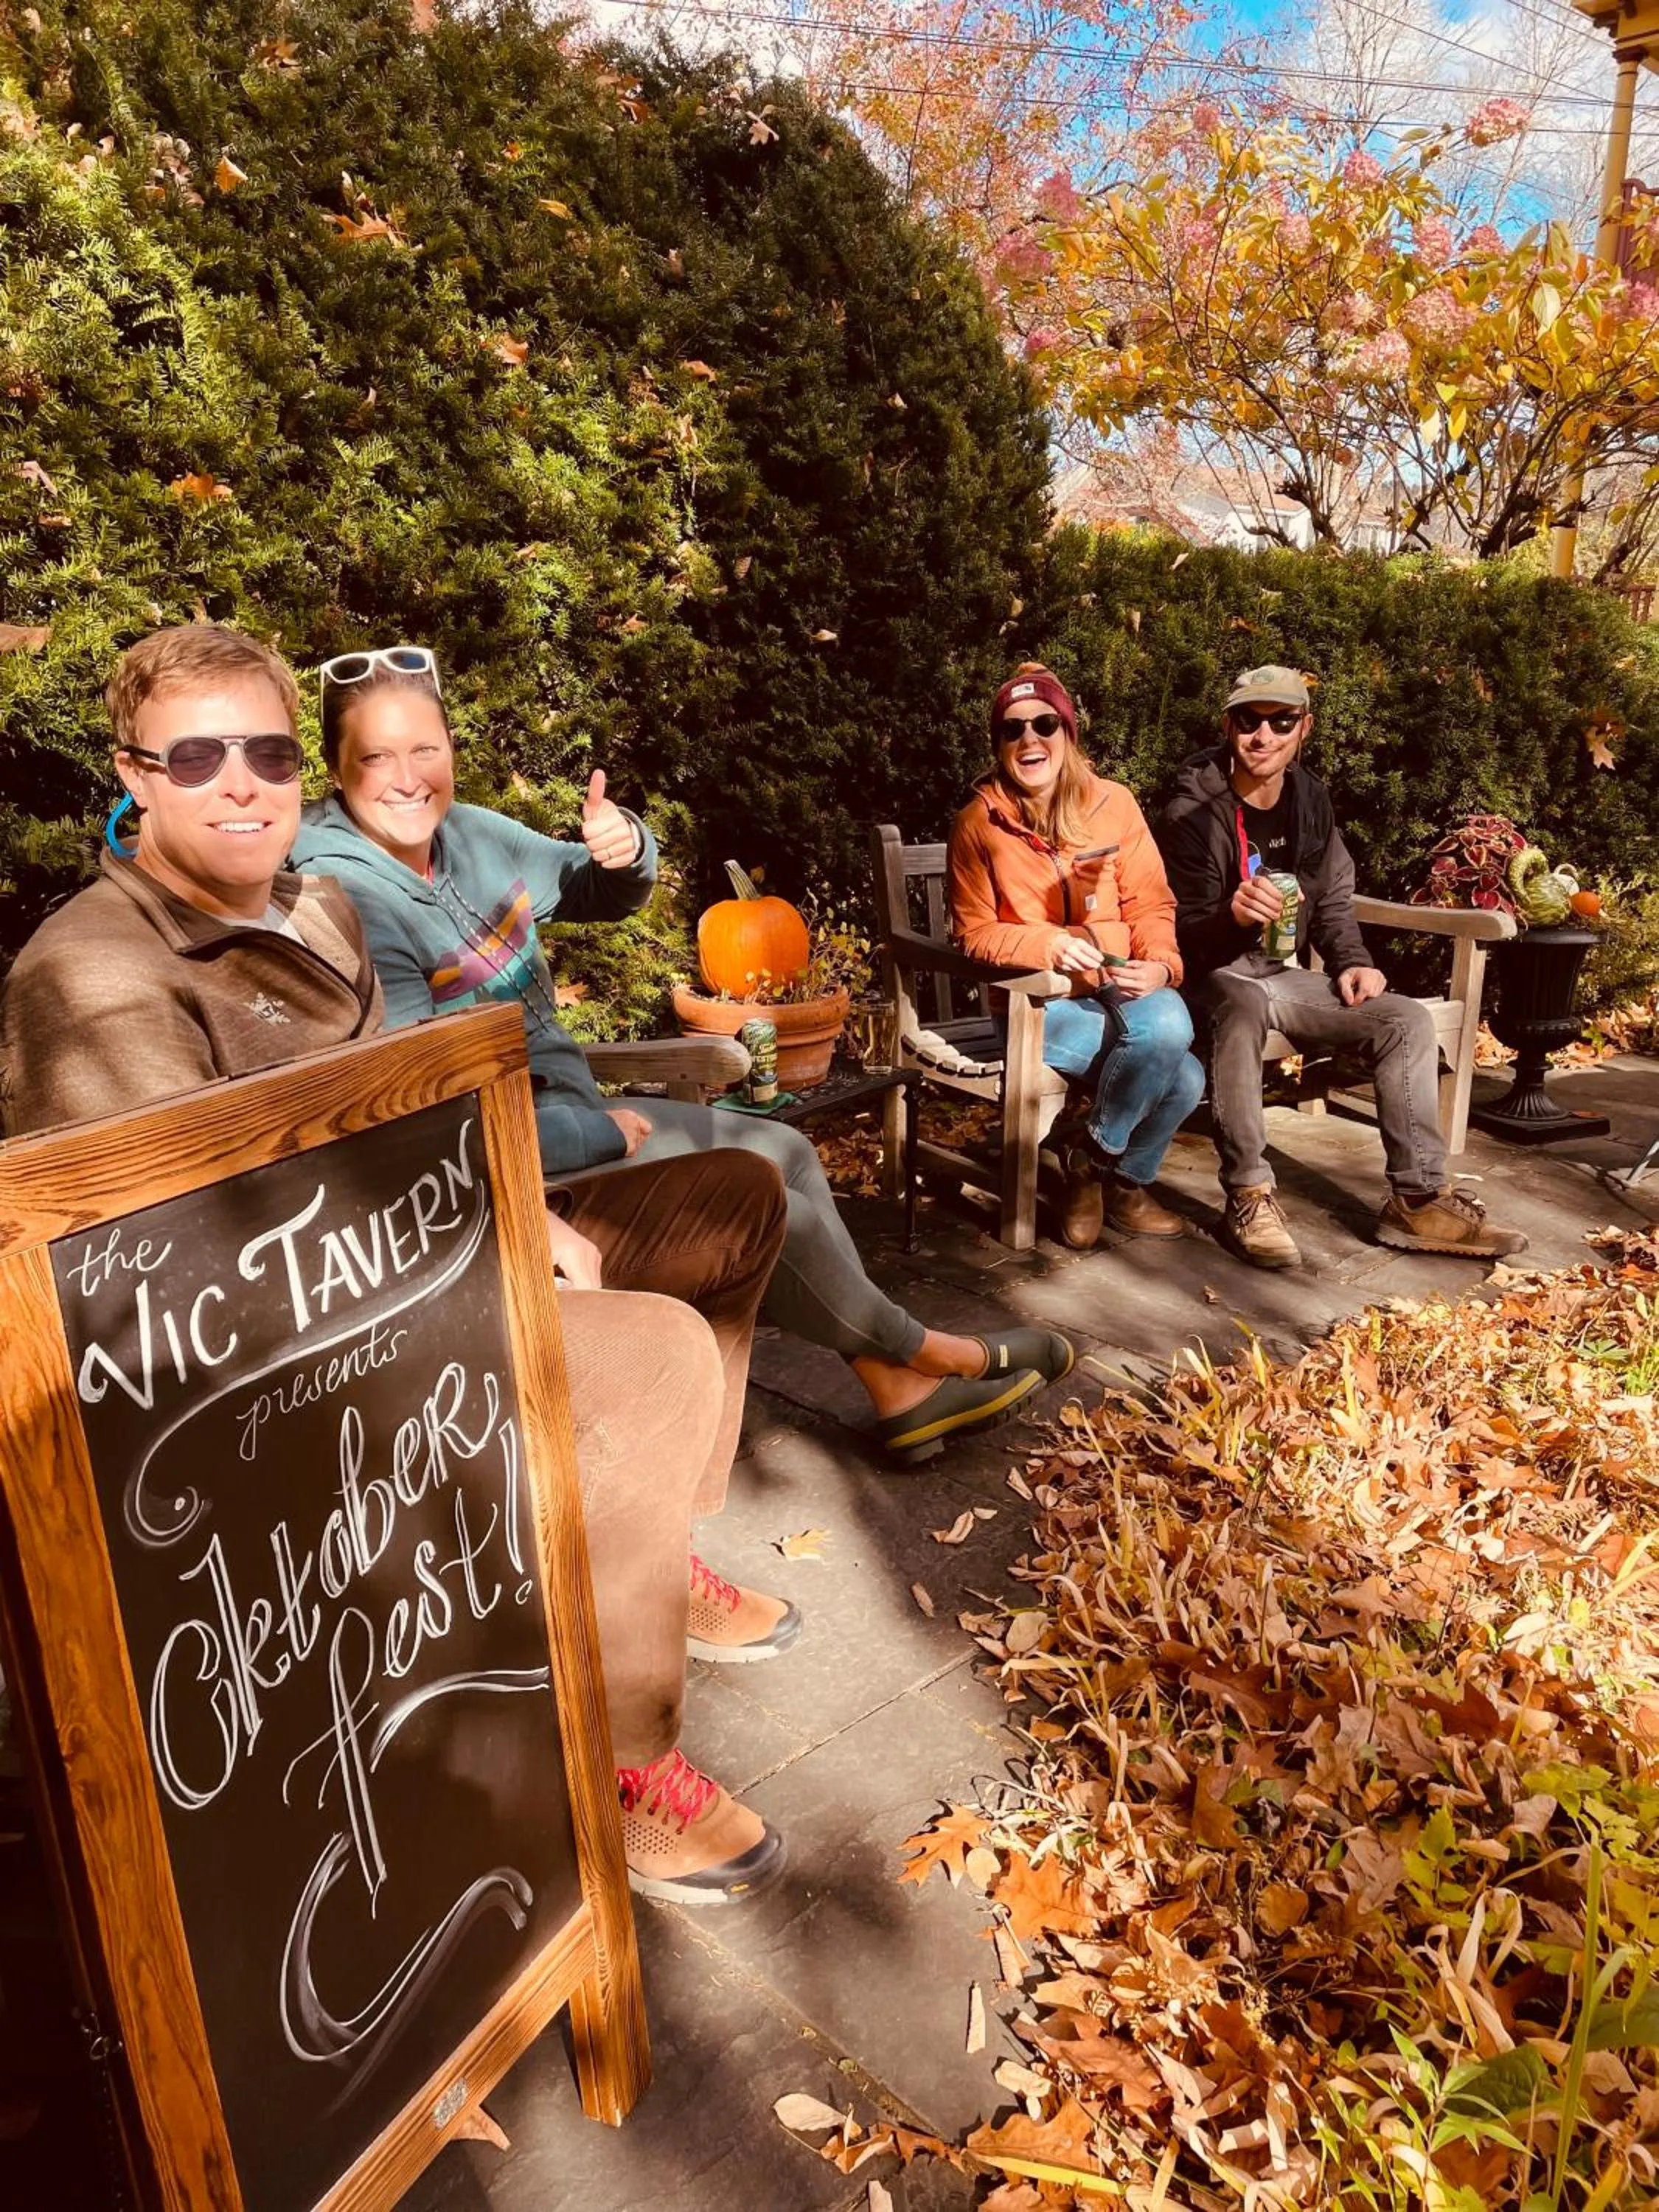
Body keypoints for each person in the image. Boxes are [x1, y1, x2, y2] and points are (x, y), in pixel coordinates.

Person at [0, 623, 796, 1907]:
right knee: (651, 1361)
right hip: (311, 1381)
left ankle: (655, 1556)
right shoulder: (93, 979)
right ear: (134, 776)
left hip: (428, 1264)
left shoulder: (314, 908)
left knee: (734, 1200)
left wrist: (512, 1214)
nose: (243, 781)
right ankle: (622, 1759)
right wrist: (478, 1259)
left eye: (265, 750)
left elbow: (406, 1118)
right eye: (198, 756)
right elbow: (180, 1291)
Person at [290, 647, 1074, 1463]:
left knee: (791, 1150)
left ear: (451, 747)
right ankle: (931, 1355)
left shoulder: (471, 836)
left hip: (569, 1106)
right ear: (339, 769)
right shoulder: (354, 898)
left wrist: (627, 848)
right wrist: (594, 1136)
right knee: (776, 1202)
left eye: (426, 749)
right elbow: (429, 1119)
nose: (408, 776)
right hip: (526, 1160)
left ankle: (897, 1388)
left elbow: (598, 889)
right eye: (376, 756)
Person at [1158, 665, 1527, 1270]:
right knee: (1243, 1004)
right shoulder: (1190, 812)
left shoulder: (1310, 799)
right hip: (1212, 974)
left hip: (1282, 974)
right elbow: (1180, 938)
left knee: (1403, 1019)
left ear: (1305, 728)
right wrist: (1233, 916)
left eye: (1281, 721)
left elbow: (1332, 896)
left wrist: (1352, 960)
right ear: (1228, 726)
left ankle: (1417, 1199)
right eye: (1249, 721)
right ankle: (1249, 1194)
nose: (1263, 736)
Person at [947, 665, 1206, 1249]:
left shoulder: (1114, 805)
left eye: (1044, 724)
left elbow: (1151, 902)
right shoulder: (977, 825)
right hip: (1033, 1005)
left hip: (1115, 985)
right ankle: (1119, 1180)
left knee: (1169, 1026)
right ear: (998, 745)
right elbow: (972, 933)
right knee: (1184, 1074)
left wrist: (1162, 964)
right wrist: (1046, 944)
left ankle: (1090, 1165)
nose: (1030, 740)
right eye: (1013, 730)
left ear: (1068, 732)